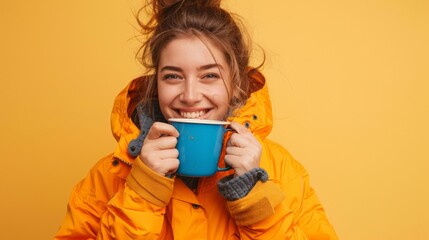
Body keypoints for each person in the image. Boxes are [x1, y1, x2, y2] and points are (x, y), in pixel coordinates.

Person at [54, 0, 338, 239]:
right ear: (156, 83)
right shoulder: (110, 175)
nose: (190, 96)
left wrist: (254, 198)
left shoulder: (281, 170)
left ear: (236, 81)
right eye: (173, 76)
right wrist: (142, 192)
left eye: (210, 75)